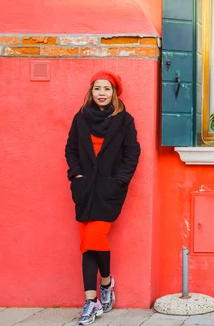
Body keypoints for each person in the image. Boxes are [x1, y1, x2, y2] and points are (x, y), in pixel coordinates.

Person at [65, 71, 141, 325]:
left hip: (109, 189)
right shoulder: (81, 118)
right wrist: (76, 175)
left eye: (106, 89)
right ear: (91, 91)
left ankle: (100, 290)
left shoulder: (124, 120)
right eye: (97, 88)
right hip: (85, 189)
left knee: (94, 237)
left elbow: (132, 152)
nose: (101, 93)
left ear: (114, 93)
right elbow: (71, 149)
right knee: (87, 242)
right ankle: (96, 295)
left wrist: (120, 180)